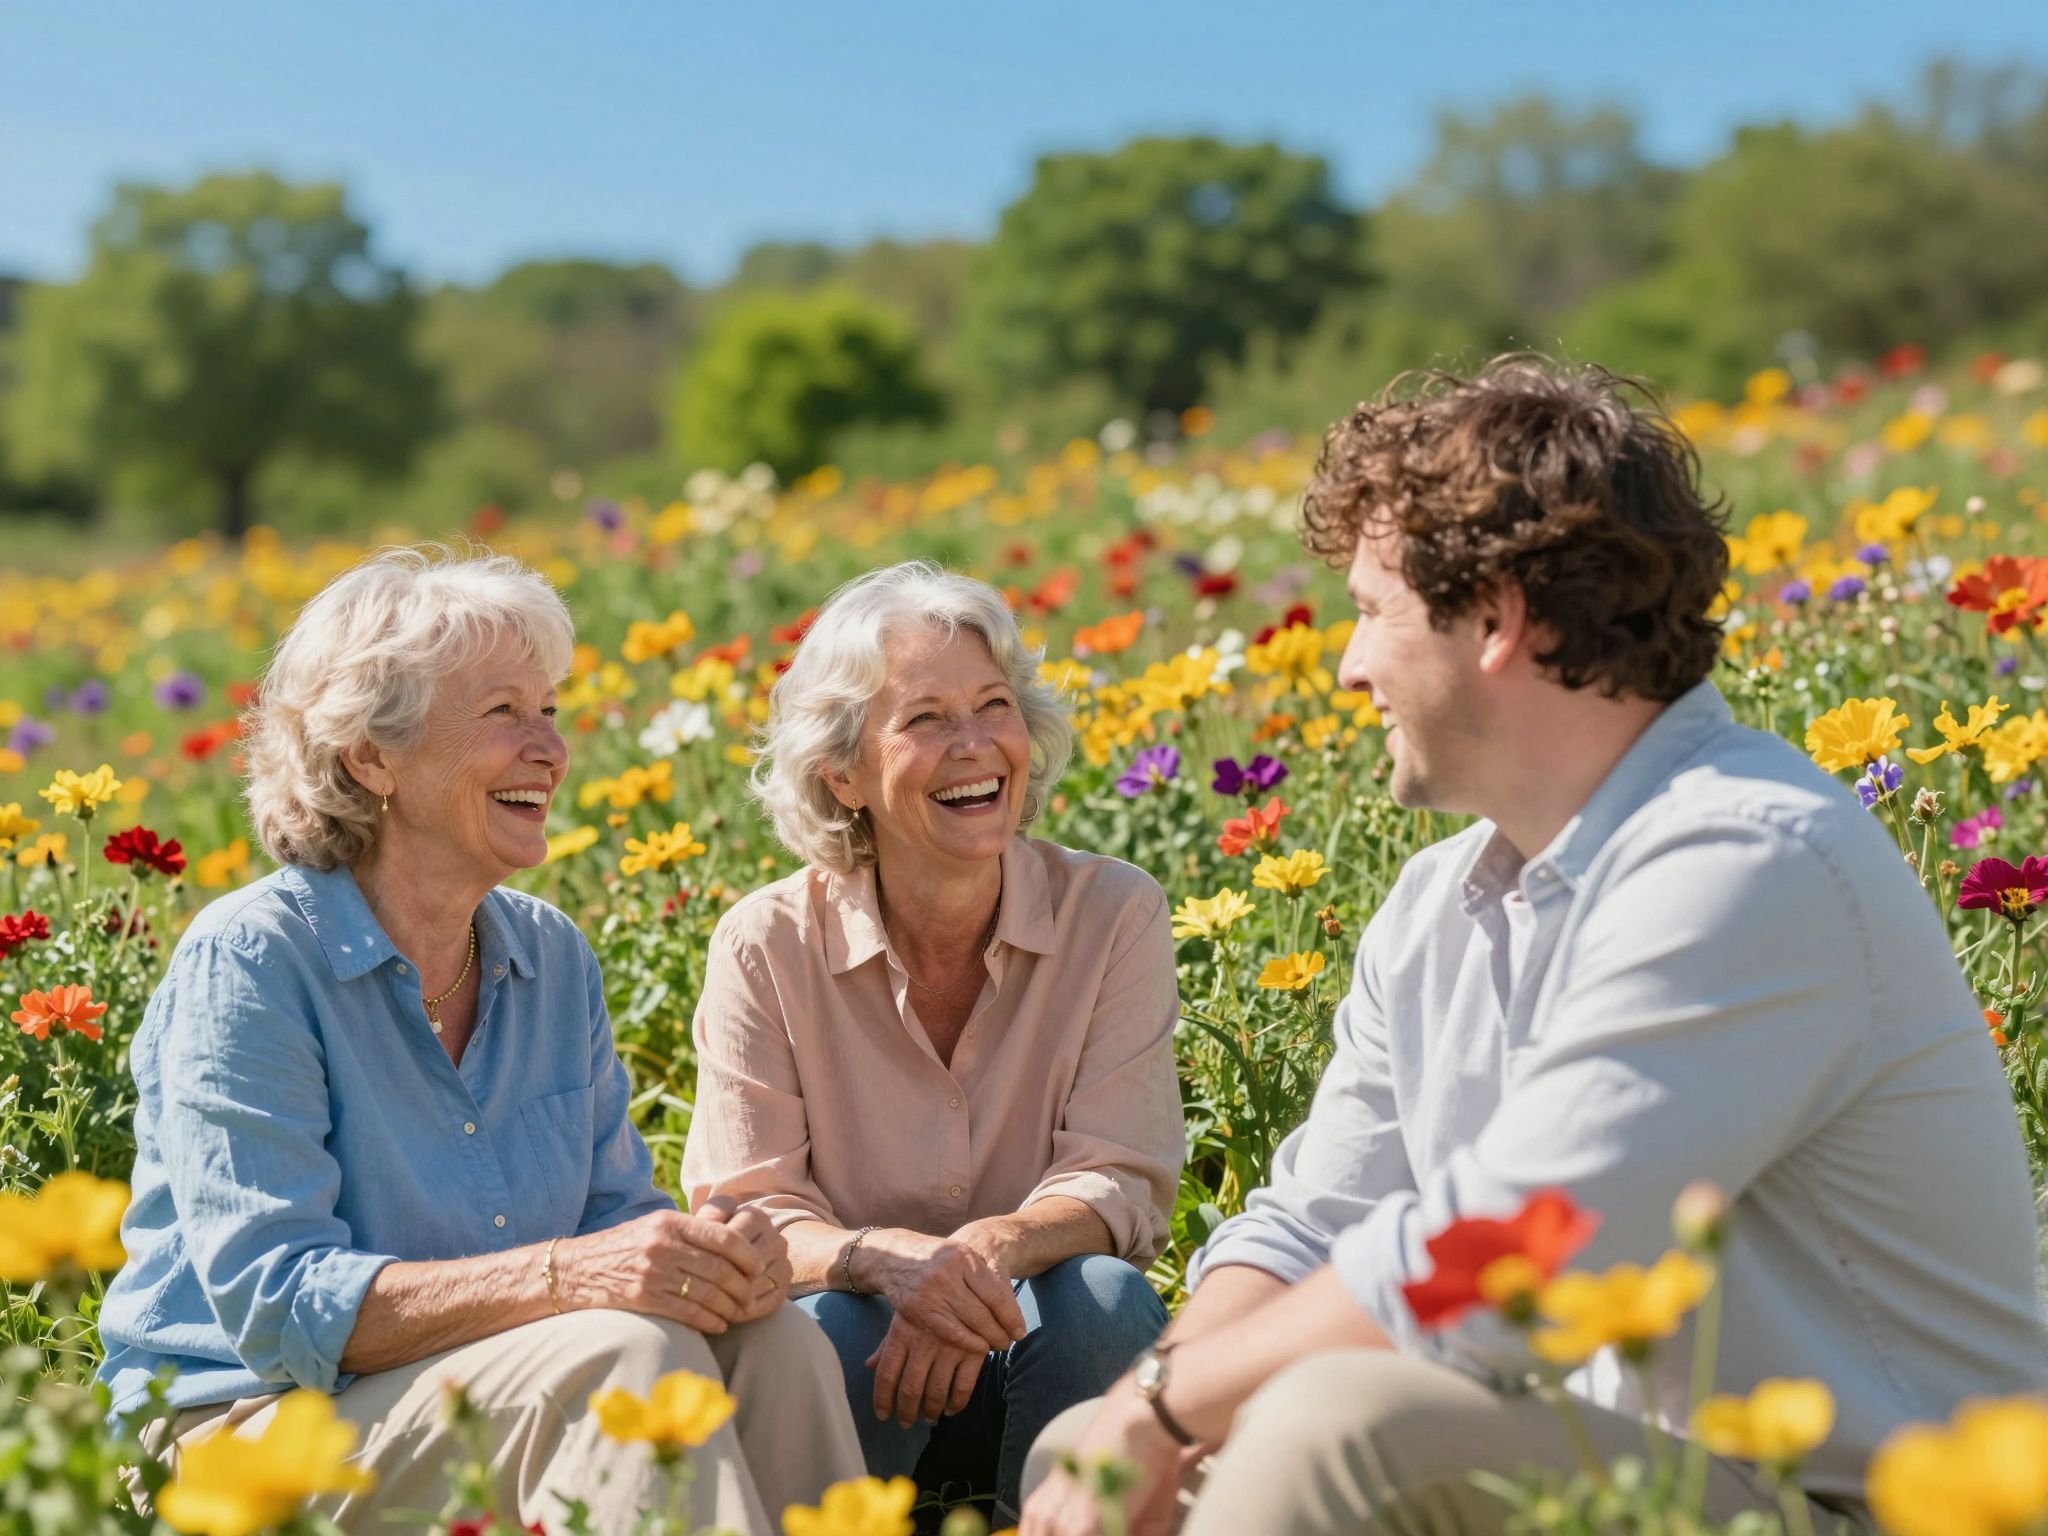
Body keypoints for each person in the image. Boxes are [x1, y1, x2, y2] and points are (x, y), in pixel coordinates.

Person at [1020, 358, 2048, 1536]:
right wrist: (1145, 1414)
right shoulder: (1436, 902)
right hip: (1607, 1474)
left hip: (1878, 1506)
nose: (1346, 665)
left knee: (1332, 1434)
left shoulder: (1746, 859)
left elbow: (1517, 1247)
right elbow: (1311, 1224)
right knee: (1083, 1456)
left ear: (1497, 617)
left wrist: (1166, 1405)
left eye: (1369, 611)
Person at [100, 547, 863, 1535]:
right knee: (625, 1361)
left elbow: (615, 1222)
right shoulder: (251, 961)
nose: (551, 749)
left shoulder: (549, 955)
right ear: (371, 756)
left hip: (465, 1386)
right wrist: (568, 1277)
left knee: (775, 1346)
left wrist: (712, 1259)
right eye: (505, 713)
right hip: (243, 1434)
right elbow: (277, 1305)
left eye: (549, 710)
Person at [682, 561, 1183, 1526]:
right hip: (863, 1359)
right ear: (842, 774)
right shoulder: (766, 943)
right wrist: (886, 1264)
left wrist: (986, 1253)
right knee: (824, 1325)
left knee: (1105, 1299)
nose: (975, 745)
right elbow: (750, 1207)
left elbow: (1120, 1173)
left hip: (1046, 1339)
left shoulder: (1113, 912)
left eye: (994, 706)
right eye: (925, 719)